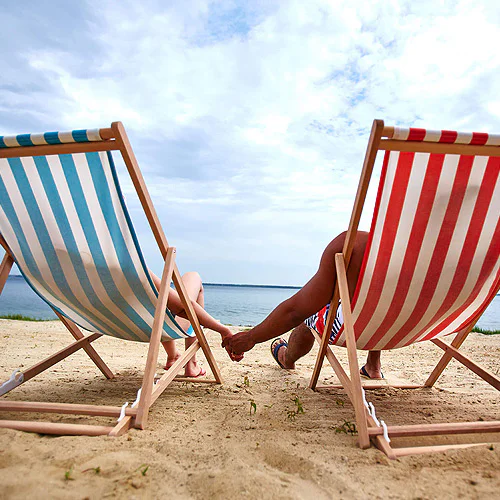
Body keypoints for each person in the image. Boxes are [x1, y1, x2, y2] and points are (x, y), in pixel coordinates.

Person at [222, 231, 383, 379]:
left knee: (312, 313)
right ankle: (373, 366)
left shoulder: (354, 242)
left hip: (355, 329)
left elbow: (295, 312)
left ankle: (287, 358)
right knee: (381, 303)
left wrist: (251, 338)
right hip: (402, 331)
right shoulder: (403, 251)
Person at [150, 270, 242, 378]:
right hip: (163, 326)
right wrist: (223, 330)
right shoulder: (134, 265)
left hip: (137, 327)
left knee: (159, 306)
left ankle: (173, 356)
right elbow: (185, 307)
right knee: (192, 276)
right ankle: (191, 363)